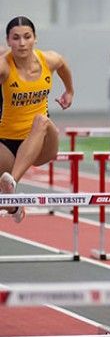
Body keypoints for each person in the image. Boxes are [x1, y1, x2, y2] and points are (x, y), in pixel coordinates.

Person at [0, 16, 74, 223]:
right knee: (4, 195)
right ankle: (13, 206)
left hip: (42, 141)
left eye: (26, 37)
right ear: (8, 41)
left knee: (41, 120)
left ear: (35, 38)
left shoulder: (48, 59)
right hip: (7, 143)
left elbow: (62, 65)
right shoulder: (4, 67)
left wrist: (69, 91)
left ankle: (12, 181)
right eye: (15, 38)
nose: (22, 43)